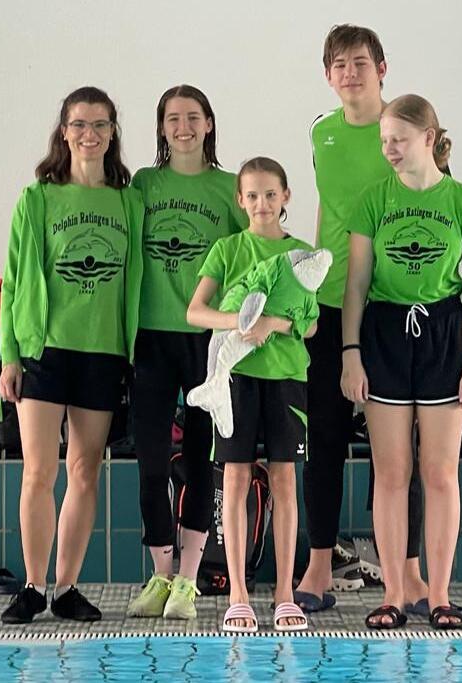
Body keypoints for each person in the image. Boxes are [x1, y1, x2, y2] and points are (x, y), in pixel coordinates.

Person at [341, 94, 462, 630]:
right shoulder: (372, 200)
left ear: (429, 138)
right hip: (384, 333)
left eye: (398, 140)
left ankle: (440, 594)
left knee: (439, 472)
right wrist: (351, 353)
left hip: (446, 334)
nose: (389, 150)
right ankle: (395, 594)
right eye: (384, 142)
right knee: (391, 472)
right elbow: (356, 285)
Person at [0, 86, 143, 625]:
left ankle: (66, 588)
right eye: (79, 124)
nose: (89, 134)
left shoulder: (128, 201)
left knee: (84, 471)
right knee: (38, 472)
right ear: (64, 131)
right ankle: (34, 585)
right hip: (45, 350)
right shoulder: (37, 199)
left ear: (112, 133)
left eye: (100, 125)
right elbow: (13, 284)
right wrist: (9, 356)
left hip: (103, 353)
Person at [298, 23, 430, 613]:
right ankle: (320, 566)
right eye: (338, 65)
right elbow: (329, 204)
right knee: (322, 436)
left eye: (360, 62)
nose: (349, 73)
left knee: (397, 451)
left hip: (394, 305)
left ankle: (409, 571)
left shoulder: (399, 130)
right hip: (328, 301)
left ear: (382, 68)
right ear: (328, 76)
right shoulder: (321, 133)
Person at [126, 85, 247, 621]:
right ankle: (159, 575)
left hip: (206, 342)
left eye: (192, 117)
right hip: (151, 338)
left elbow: (253, 256)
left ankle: (189, 582)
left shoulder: (230, 187)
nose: (183, 127)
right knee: (151, 461)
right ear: (161, 128)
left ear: (210, 124)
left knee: (201, 461)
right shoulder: (144, 184)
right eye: (173, 119)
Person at [186, 157, 316, 633]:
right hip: (236, 380)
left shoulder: (302, 254)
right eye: (253, 195)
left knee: (284, 483)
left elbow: (313, 321)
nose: (262, 204)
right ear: (240, 200)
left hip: (287, 378)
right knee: (235, 480)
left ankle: (285, 595)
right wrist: (243, 324)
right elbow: (196, 312)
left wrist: (279, 324)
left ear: (286, 197)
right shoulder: (227, 249)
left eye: (270, 194)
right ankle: (238, 595)